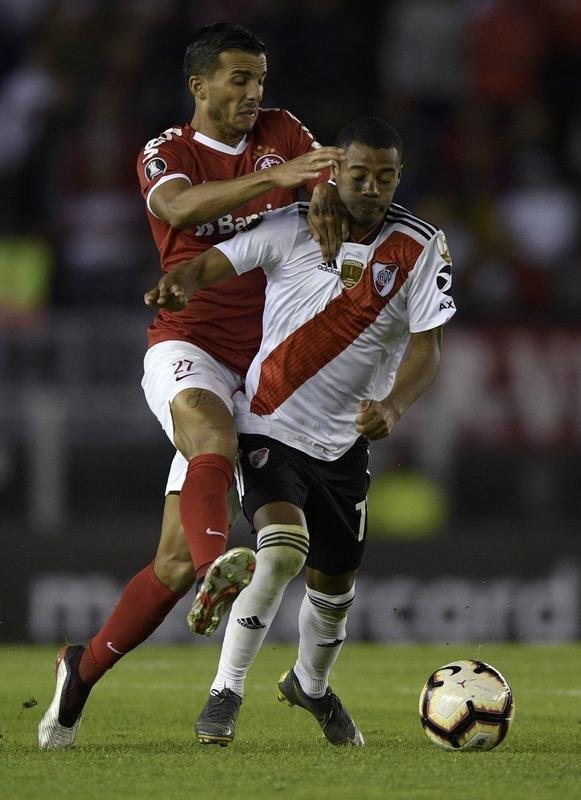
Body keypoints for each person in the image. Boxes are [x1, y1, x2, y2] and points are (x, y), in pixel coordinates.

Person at [37, 22, 347, 751]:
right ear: (198, 85)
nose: (251, 94)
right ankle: (222, 571)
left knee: (169, 563)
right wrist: (274, 180)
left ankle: (80, 670)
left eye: (259, 79)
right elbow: (175, 209)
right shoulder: (166, 151)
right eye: (237, 79)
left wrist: (328, 196)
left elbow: (325, 177)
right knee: (208, 436)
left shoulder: (283, 129)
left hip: (266, 365)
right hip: (187, 343)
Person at [144, 116, 457, 747]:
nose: (371, 187)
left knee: (333, 586)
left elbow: (428, 348)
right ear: (334, 171)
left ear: (400, 177)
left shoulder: (420, 247)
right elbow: (214, 263)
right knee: (282, 548)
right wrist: (180, 282)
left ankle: (310, 686)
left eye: (385, 176)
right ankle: (225, 692)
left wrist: (394, 408)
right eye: (359, 173)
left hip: (344, 441)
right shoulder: (291, 228)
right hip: (266, 425)